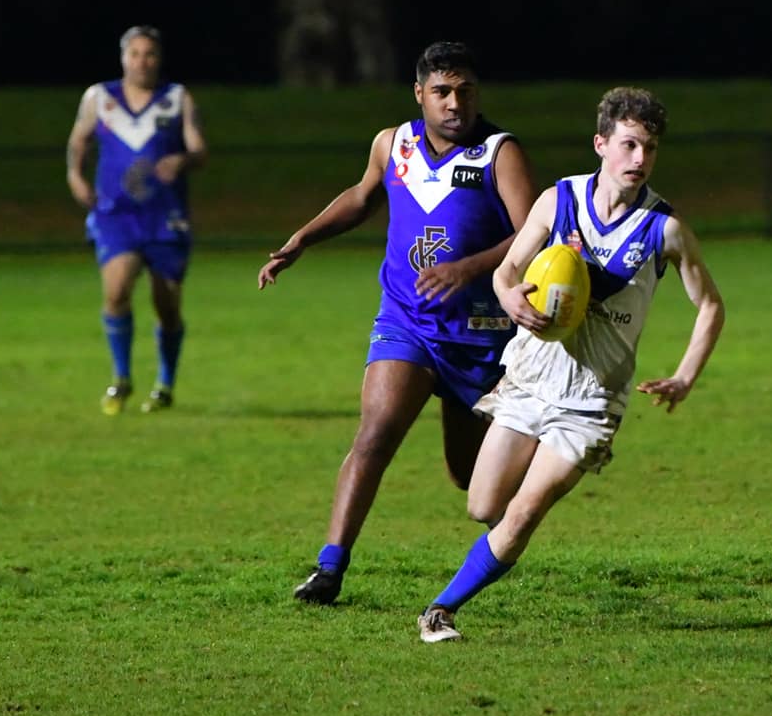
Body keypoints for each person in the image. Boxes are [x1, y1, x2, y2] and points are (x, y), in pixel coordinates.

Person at [415, 86, 725, 643]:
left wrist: (684, 377)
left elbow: (711, 306)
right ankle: (501, 539)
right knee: (484, 504)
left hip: (591, 401)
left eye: (649, 149)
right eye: (629, 145)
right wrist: (510, 298)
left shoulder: (664, 229)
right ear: (601, 144)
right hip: (531, 379)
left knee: (526, 511)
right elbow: (507, 272)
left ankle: (440, 610)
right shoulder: (558, 202)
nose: (639, 159)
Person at [259, 40, 536, 605]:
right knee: (375, 433)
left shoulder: (498, 153)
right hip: (407, 322)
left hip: (479, 335)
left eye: (465, 90)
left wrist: (470, 269)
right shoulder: (394, 143)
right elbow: (363, 197)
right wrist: (302, 240)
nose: (455, 102)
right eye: (442, 92)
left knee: (470, 481)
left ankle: (523, 509)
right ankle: (329, 569)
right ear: (420, 94)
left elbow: (534, 232)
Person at [66, 24, 207, 415]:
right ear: (123, 57)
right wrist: (75, 176)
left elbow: (199, 150)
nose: (142, 62)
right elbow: (78, 140)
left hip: (165, 217)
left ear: (158, 59)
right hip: (117, 214)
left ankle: (164, 383)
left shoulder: (176, 99)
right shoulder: (100, 98)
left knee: (167, 306)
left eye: (150, 54)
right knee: (116, 291)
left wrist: (183, 158)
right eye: (135, 54)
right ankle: (122, 377)